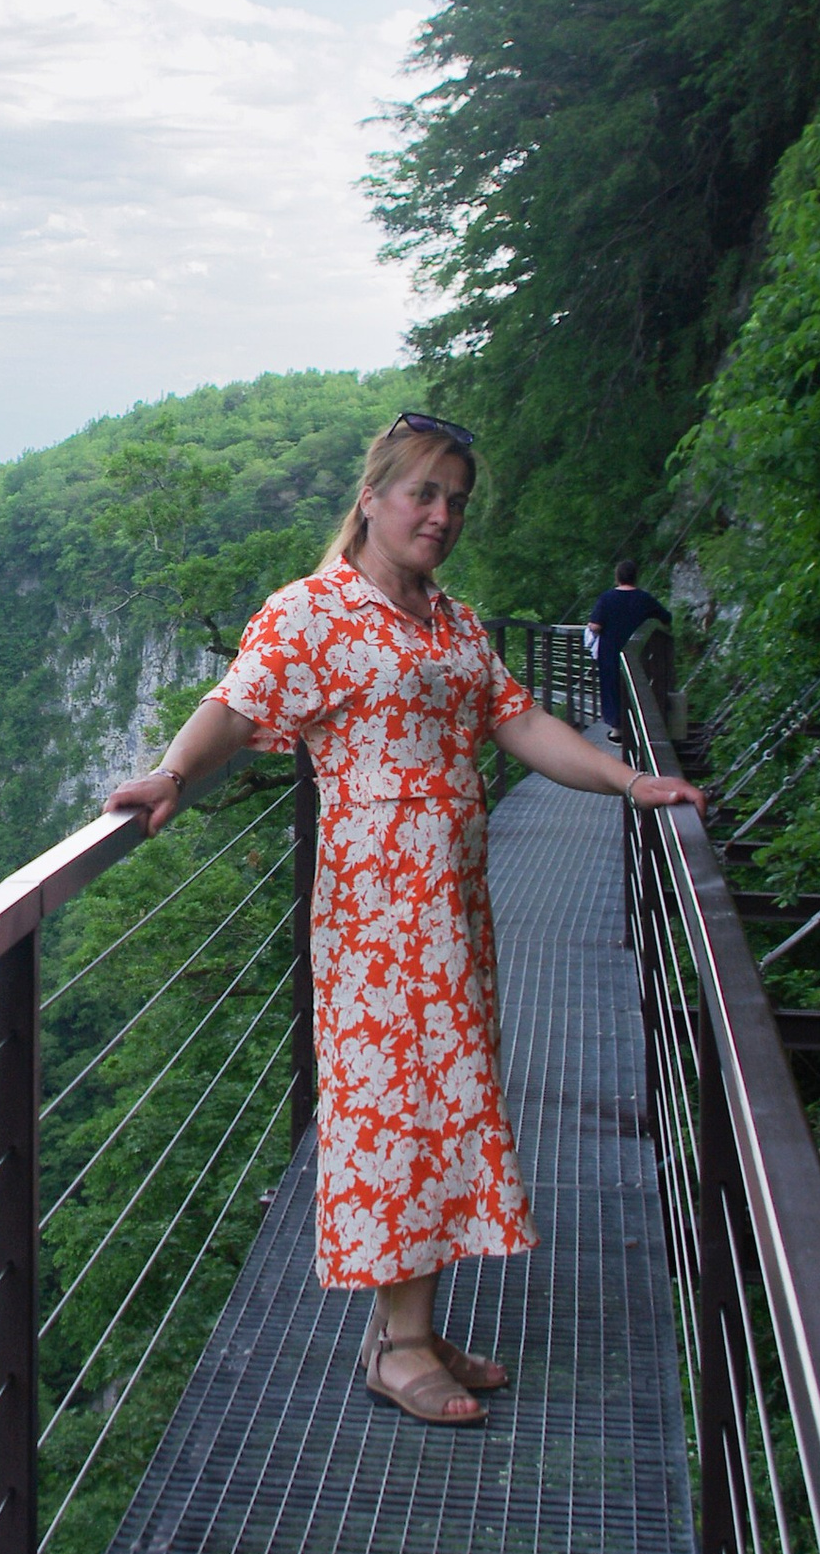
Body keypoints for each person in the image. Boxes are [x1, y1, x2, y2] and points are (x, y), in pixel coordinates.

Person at [107, 414, 701, 1427]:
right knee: (391, 1113)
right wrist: (169, 775)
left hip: (455, 909)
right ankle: (397, 1348)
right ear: (372, 497)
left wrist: (627, 779)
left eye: (456, 499)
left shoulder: (452, 622)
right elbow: (238, 707)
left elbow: (518, 720)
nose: (440, 514)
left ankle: (411, 1327)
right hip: (377, 917)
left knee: (448, 1101)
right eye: (422, 492)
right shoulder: (313, 612)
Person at [585, 559, 671, 747]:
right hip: (640, 652)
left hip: (611, 651)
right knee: (637, 686)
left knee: (612, 686)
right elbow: (666, 617)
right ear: (635, 577)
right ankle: (639, 726)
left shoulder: (607, 598)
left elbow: (596, 625)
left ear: (617, 577)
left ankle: (618, 730)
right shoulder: (645, 599)